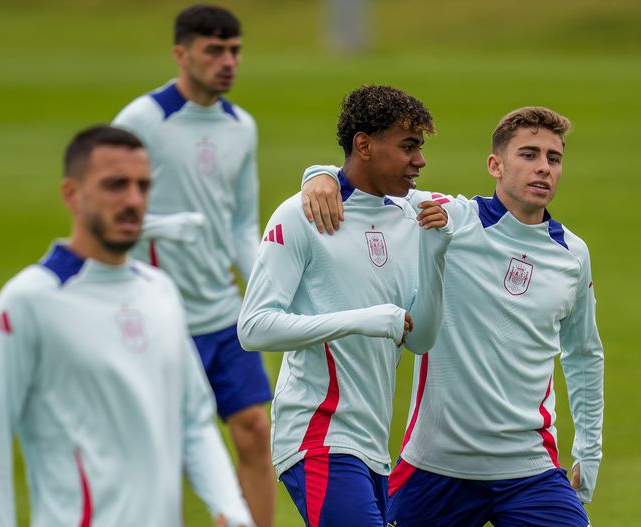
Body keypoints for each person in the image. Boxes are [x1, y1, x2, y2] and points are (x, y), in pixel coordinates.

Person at [301, 106, 604, 526]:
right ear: (495, 165)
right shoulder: (451, 217)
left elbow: (584, 353)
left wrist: (589, 450)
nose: (543, 168)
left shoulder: (572, 254)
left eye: (554, 158)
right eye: (529, 154)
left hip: (530, 470)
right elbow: (372, 182)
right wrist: (319, 174)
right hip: (434, 466)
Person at [0, 125, 253, 527]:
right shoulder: (29, 301)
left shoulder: (161, 292)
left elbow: (194, 421)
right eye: (115, 185)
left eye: (142, 186)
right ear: (72, 194)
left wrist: (233, 511)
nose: (133, 200)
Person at [238, 85, 452, 526]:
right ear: (364, 145)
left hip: (374, 444)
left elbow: (421, 338)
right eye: (408, 147)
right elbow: (254, 327)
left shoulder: (418, 213)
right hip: (317, 434)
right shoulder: (302, 213)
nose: (421, 161)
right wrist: (363, 320)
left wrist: (433, 257)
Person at [111, 6, 274, 526]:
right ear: (181, 54)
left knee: (254, 429)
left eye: (235, 51)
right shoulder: (142, 121)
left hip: (222, 313)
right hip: (160, 315)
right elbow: (104, 211)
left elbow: (241, 225)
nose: (228, 62)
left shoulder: (241, 126)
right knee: (163, 446)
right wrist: (164, 226)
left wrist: (264, 291)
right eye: (214, 50)